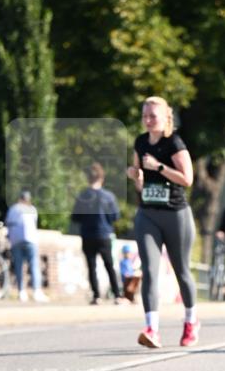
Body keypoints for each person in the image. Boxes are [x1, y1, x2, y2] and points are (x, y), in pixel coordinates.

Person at [126, 96, 199, 348]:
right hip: (148, 213)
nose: (147, 120)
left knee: (182, 271)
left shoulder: (174, 142)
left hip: (176, 213)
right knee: (149, 271)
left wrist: (158, 167)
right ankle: (152, 329)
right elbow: (140, 182)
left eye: (152, 116)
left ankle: (191, 322)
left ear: (165, 117)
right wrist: (135, 175)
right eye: (144, 115)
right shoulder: (140, 142)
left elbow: (187, 179)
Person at [72, 162, 122, 305]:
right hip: (104, 234)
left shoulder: (83, 195)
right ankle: (117, 295)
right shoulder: (109, 196)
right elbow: (115, 217)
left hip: (87, 235)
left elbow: (76, 217)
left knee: (91, 267)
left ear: (88, 179)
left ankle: (96, 296)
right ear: (102, 178)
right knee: (109, 265)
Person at [4, 189, 48, 302]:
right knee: (33, 265)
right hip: (30, 239)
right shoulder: (32, 209)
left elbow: (8, 224)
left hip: (15, 240)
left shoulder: (13, 209)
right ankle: (36, 291)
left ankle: (21, 292)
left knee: (19, 266)